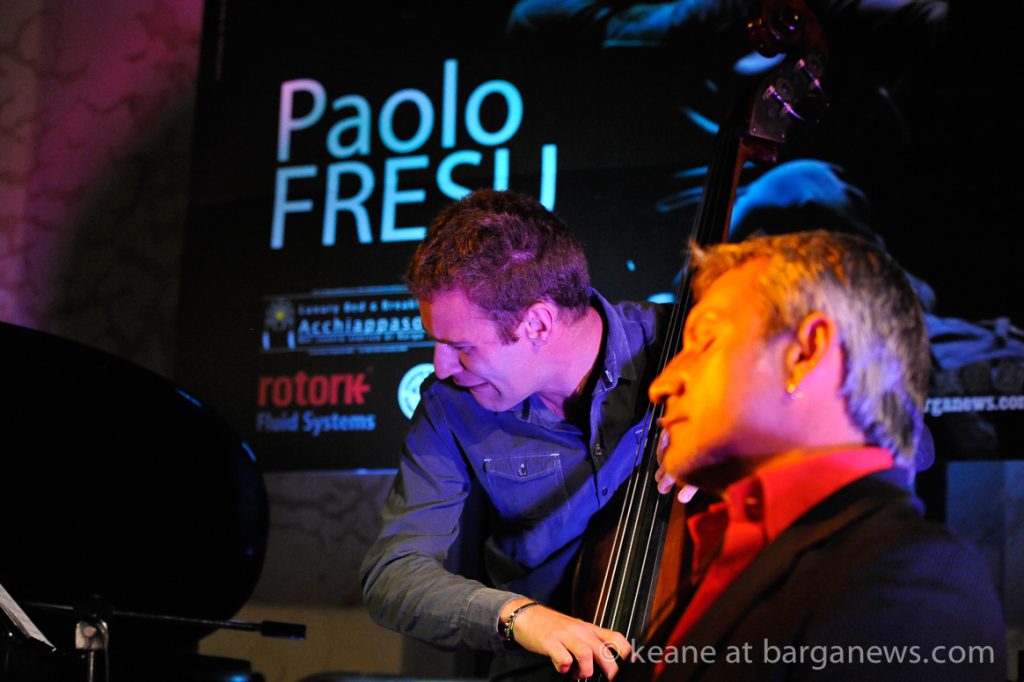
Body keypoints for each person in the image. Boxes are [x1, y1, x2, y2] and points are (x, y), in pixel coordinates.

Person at [634, 230, 1006, 680]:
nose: (661, 385)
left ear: (805, 353)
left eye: (705, 341)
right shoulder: (749, 550)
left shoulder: (912, 577)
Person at [360, 188, 666, 680]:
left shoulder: (683, 345)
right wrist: (518, 616)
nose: (441, 367)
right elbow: (393, 574)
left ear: (538, 324)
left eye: (460, 346)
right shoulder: (449, 406)